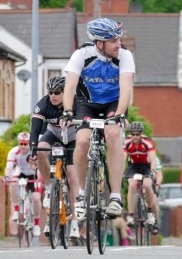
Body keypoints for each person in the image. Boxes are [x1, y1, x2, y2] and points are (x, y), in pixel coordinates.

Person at [62, 18, 135, 220]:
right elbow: (69, 87)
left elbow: (126, 88)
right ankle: (81, 196)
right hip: (87, 103)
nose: (118, 44)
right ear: (99, 43)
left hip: (114, 103)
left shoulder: (125, 55)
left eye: (118, 39)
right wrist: (67, 111)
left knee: (112, 135)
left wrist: (120, 114)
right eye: (113, 40)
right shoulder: (81, 55)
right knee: (83, 142)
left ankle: (115, 197)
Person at [29, 76, 80, 239]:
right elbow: (35, 131)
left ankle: (75, 223)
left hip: (72, 139)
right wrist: (32, 151)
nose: (53, 95)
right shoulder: (43, 104)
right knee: (41, 149)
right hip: (53, 135)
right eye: (50, 92)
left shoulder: (75, 103)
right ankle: (50, 187)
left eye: (57, 92)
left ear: (65, 92)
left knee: (72, 178)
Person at [4, 132, 42, 237]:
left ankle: (36, 224)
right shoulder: (13, 152)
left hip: (34, 173)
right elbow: (9, 167)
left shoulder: (34, 151)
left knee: (36, 198)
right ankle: (16, 210)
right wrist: (7, 176)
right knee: (13, 183)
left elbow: (39, 166)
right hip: (21, 172)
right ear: (18, 143)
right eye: (21, 144)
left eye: (25, 144)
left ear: (29, 144)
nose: (23, 146)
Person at [124, 121, 157, 227]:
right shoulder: (127, 142)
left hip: (146, 166)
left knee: (147, 185)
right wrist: (120, 171)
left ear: (141, 134)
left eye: (137, 134)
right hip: (133, 166)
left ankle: (150, 212)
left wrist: (153, 170)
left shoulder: (147, 142)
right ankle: (130, 215)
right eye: (133, 134)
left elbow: (152, 158)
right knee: (132, 185)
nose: (135, 137)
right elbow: (123, 158)